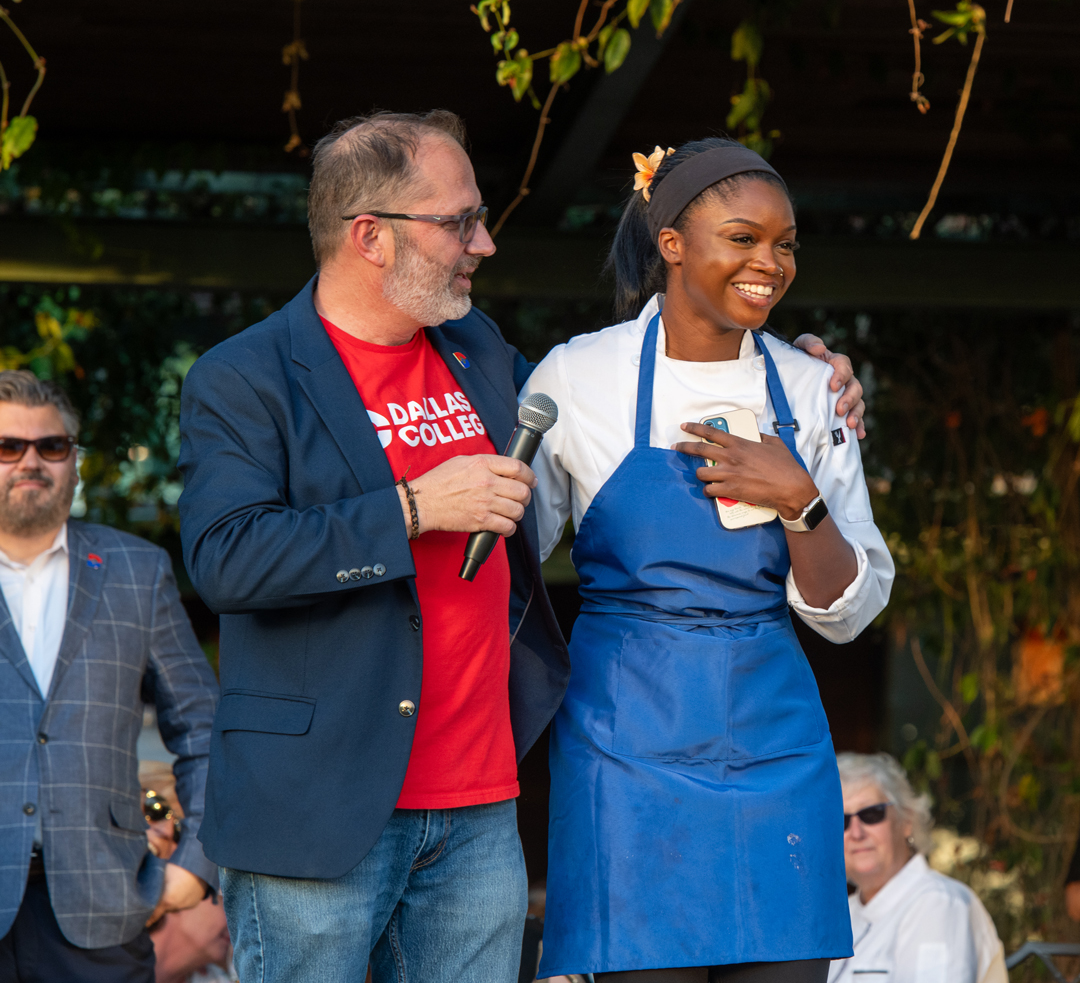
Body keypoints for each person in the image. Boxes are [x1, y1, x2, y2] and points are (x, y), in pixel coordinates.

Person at [177, 112, 867, 983]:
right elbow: (228, 559)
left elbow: (667, 380)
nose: (487, 243)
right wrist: (415, 508)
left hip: (476, 801)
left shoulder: (482, 355)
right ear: (370, 236)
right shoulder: (247, 377)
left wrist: (815, 378)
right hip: (327, 801)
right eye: (459, 221)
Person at [526, 138, 895, 983]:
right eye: (743, 238)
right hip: (624, 744)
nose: (770, 263)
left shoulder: (809, 389)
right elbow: (510, 555)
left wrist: (799, 499)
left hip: (774, 740)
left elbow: (850, 610)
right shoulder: (580, 378)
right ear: (672, 244)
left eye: (786, 243)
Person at [0, 370, 219, 982]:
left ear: (74, 462)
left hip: (102, 909)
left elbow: (204, 729)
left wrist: (192, 866)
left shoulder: (135, 571)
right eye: (7, 447)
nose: (30, 462)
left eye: (51, 446)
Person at [829, 752, 1006, 983]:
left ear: (907, 821)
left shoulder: (939, 903)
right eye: (841, 820)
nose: (856, 832)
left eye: (871, 814)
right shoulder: (844, 914)